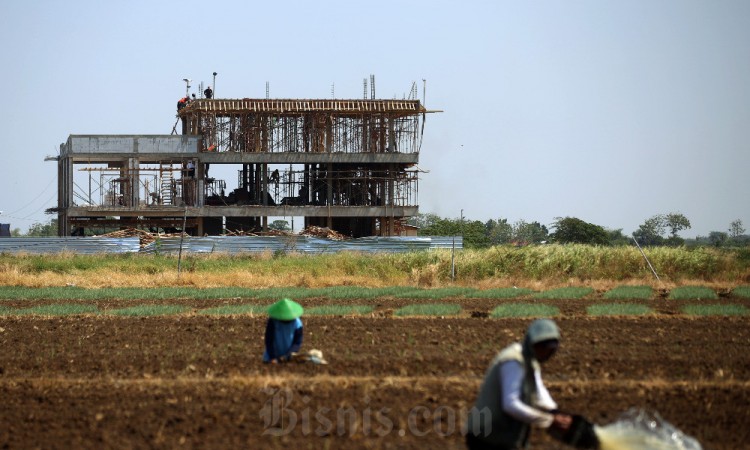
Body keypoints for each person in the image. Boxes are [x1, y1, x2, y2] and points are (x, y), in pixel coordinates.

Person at [465, 319, 572, 449]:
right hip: (487, 437)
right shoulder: (514, 361)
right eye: (543, 348)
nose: (546, 354)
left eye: (550, 350)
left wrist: (555, 411)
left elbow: (539, 391)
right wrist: (548, 420)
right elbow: (510, 404)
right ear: (532, 344)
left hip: (504, 435)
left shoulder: (530, 362)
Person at [263, 298, 304, 364]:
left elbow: (297, 343)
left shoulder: (297, 323)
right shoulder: (273, 321)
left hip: (288, 358)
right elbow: (269, 340)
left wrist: (287, 356)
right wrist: (273, 357)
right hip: (271, 358)